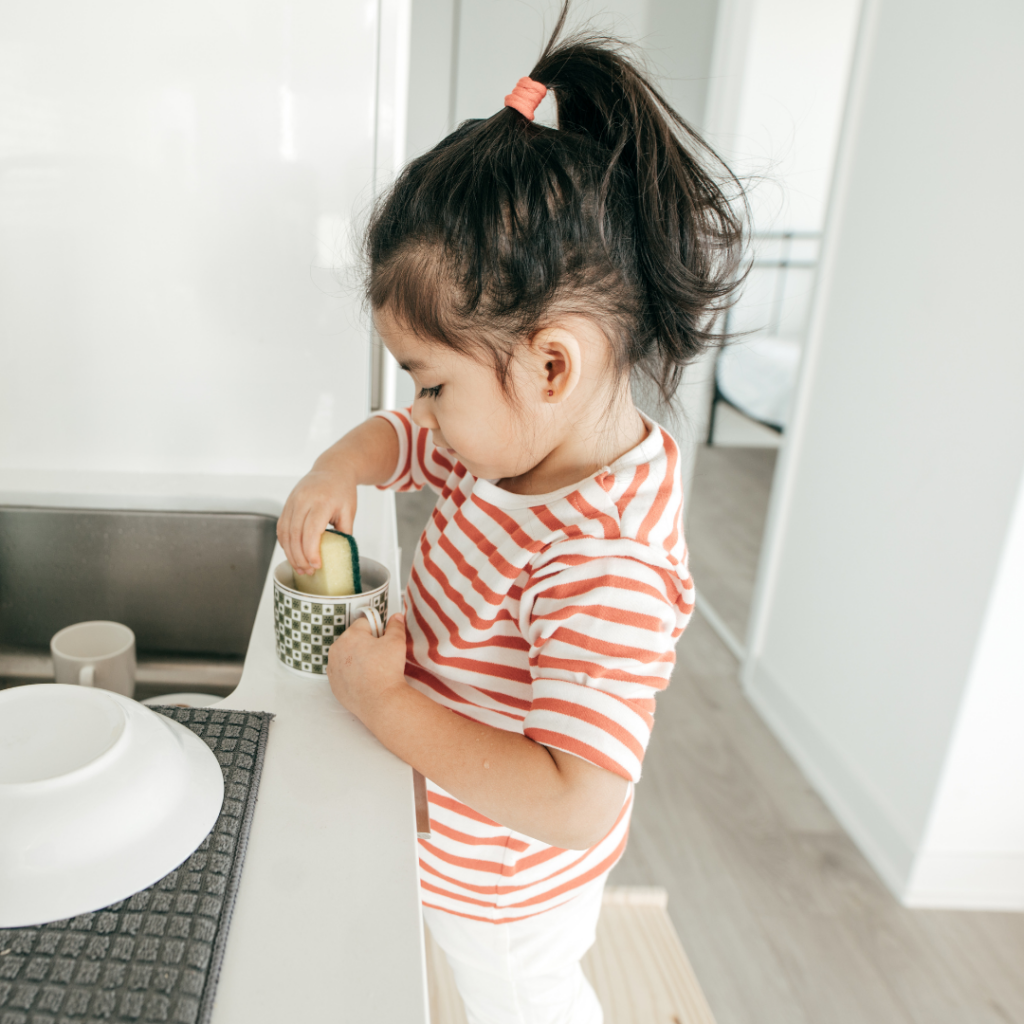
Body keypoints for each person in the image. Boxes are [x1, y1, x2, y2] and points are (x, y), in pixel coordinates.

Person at [277, 6, 743, 1021]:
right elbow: (407, 442)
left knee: (524, 1003)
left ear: (549, 361)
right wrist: (335, 465)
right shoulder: (511, 442)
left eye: (433, 382)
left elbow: (576, 801)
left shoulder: (603, 559)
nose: (421, 411)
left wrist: (383, 704)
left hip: (504, 892)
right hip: (458, 838)